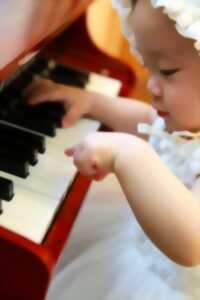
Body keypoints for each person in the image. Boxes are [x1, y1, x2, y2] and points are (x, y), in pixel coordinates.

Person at [27, 0, 200, 299]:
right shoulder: (189, 123)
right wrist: (96, 103)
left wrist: (129, 154)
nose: (152, 86)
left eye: (168, 71)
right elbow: (148, 122)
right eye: (149, 68)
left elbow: (190, 244)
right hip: (134, 250)